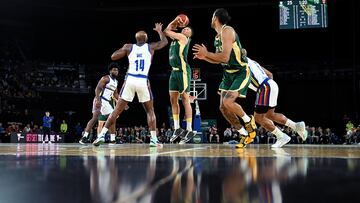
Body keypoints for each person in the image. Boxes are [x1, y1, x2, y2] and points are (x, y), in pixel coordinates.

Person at [93, 23, 168, 147]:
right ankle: (154, 140)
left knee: (116, 110)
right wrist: (160, 31)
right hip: (143, 80)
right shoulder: (150, 47)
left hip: (130, 80)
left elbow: (113, 56)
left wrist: (124, 48)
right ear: (146, 39)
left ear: (136, 39)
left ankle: (101, 136)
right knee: (150, 111)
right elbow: (164, 42)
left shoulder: (129, 47)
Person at [192, 8, 256, 148]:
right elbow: (219, 60)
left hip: (240, 71)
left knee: (228, 102)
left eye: (212, 17)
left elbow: (225, 57)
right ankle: (244, 133)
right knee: (223, 107)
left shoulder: (227, 31)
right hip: (228, 73)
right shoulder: (217, 37)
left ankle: (248, 120)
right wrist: (205, 57)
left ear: (215, 18)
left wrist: (207, 53)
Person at [243, 49, 307, 147]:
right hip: (271, 84)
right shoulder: (253, 62)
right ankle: (296, 126)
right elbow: (270, 74)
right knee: (269, 114)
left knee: (258, 117)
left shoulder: (240, 65)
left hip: (265, 87)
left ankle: (281, 136)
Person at [163, 16, 196, 144]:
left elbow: (166, 31)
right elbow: (168, 30)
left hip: (183, 72)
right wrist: (175, 22)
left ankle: (189, 128)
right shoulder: (175, 39)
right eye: (185, 28)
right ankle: (177, 127)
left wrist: (176, 21)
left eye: (188, 29)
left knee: (185, 100)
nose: (185, 29)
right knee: (173, 100)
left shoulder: (183, 38)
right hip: (174, 72)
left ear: (189, 34)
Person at [79, 62, 127, 144]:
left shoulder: (116, 82)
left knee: (112, 118)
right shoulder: (105, 78)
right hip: (100, 99)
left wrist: (123, 104)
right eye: (114, 70)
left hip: (106, 102)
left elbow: (115, 94)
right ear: (110, 71)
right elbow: (97, 89)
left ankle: (112, 139)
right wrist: (98, 100)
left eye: (117, 70)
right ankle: (84, 137)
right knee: (94, 118)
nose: (116, 71)